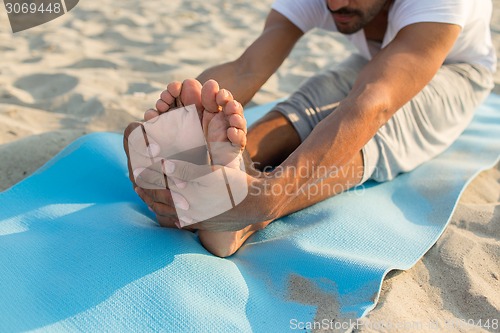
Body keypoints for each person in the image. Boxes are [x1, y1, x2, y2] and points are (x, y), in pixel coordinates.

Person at [124, 0, 496, 257]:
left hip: (457, 69)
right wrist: (179, 127)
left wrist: (268, 197)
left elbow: (374, 104)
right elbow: (248, 68)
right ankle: (220, 170)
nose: (334, 4)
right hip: (374, 59)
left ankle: (241, 225)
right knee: (308, 102)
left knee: (379, 125)